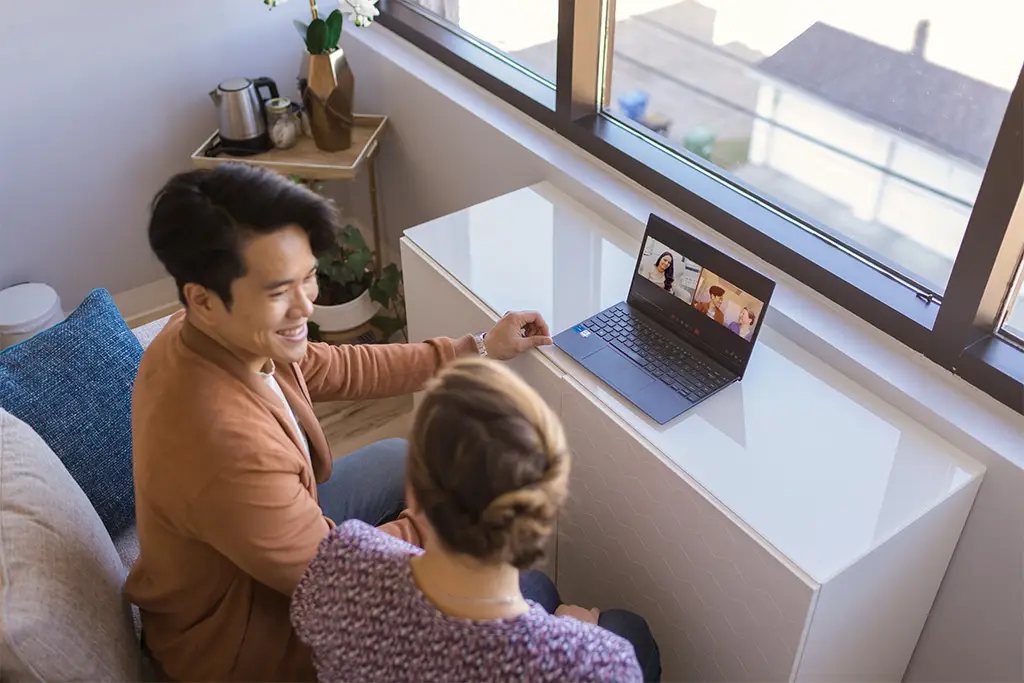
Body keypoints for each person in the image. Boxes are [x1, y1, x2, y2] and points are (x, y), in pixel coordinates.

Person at [125, 164, 553, 682]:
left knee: (398, 458)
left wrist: (476, 349)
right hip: (243, 640)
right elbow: (338, 581)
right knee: (529, 590)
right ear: (204, 299)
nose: (307, 305)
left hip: (251, 553)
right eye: (280, 291)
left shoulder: (213, 332)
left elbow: (340, 366)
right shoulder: (222, 445)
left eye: (308, 277)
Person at [291, 357, 662, 683]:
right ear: (543, 515)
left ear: (414, 488)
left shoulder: (341, 556)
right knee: (630, 630)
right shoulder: (600, 664)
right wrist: (574, 633)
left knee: (539, 588)